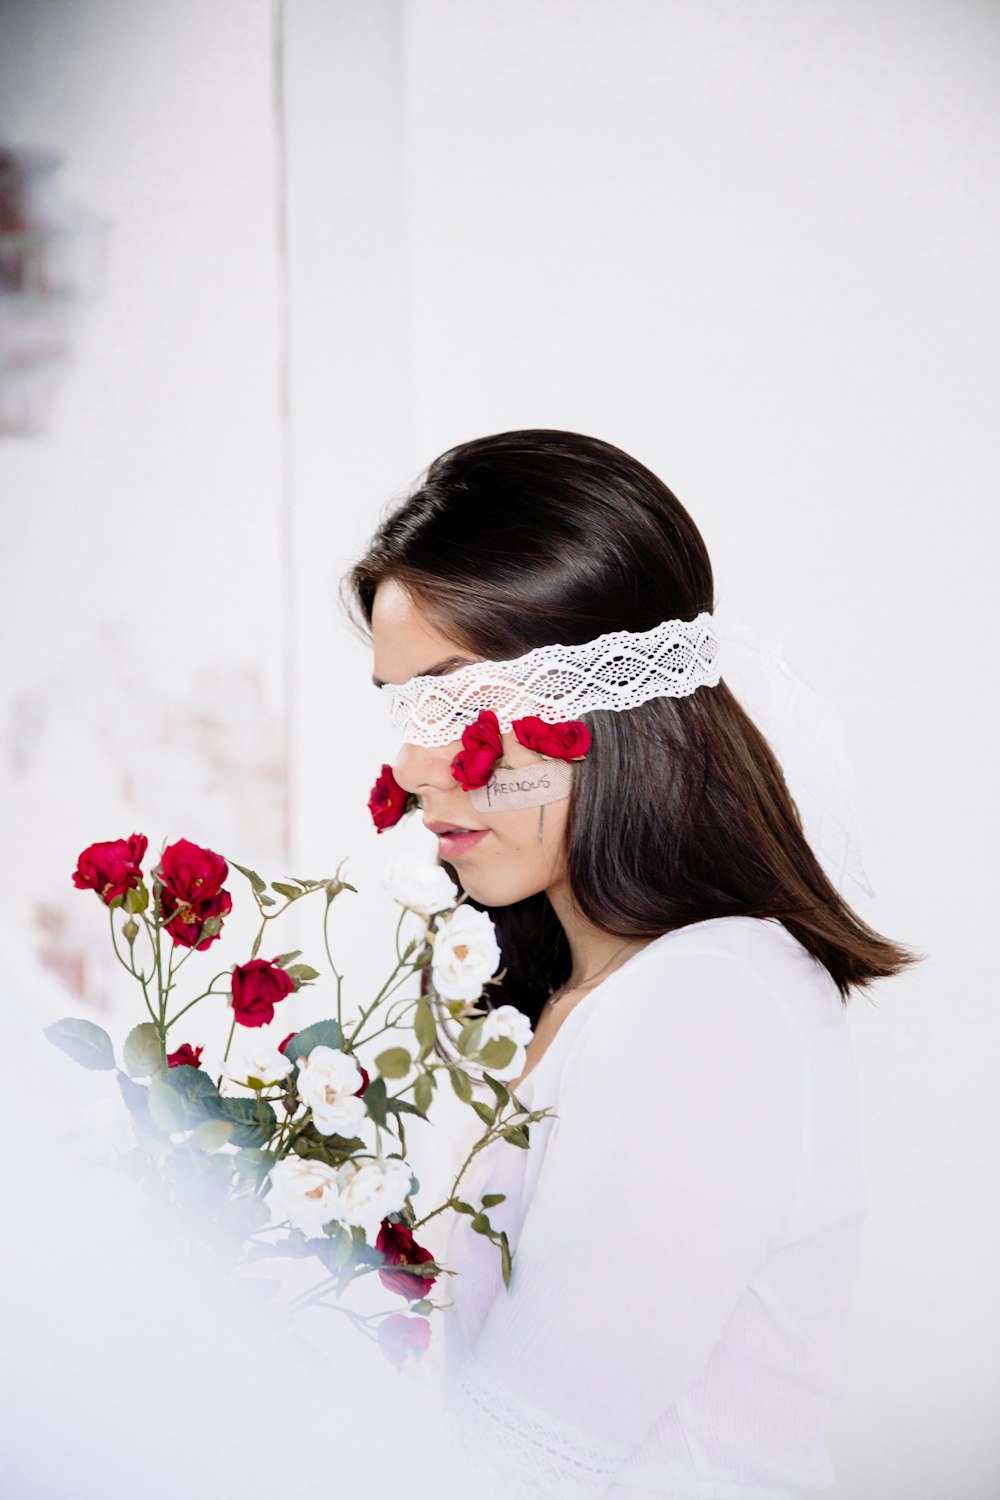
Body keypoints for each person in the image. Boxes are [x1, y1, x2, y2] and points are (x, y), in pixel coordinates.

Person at [343, 429, 917, 1498]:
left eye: (452, 700)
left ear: (607, 704)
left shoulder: (709, 1004)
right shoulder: (570, 995)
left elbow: (528, 1458)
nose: (414, 766)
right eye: (398, 705)